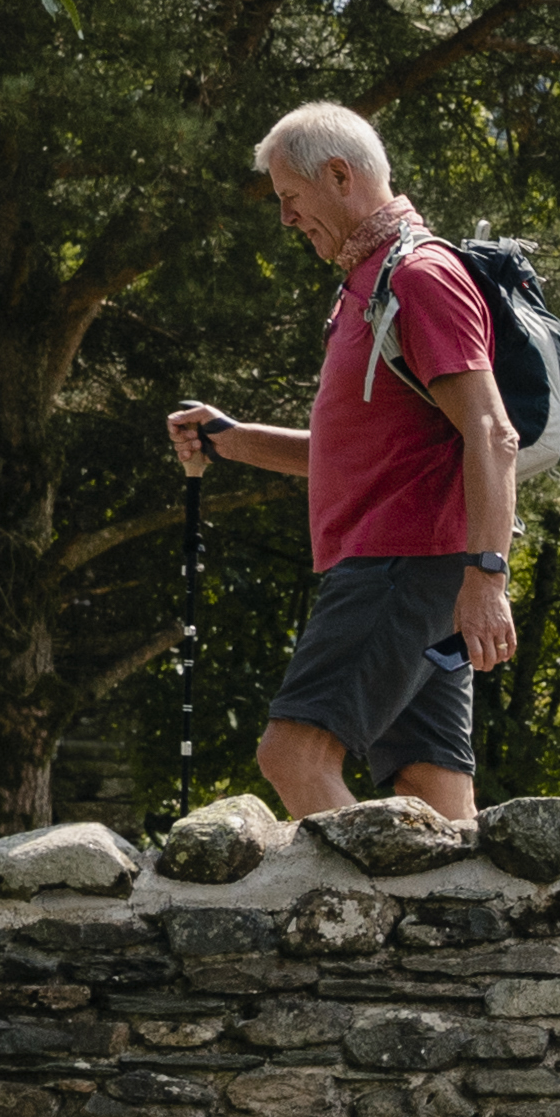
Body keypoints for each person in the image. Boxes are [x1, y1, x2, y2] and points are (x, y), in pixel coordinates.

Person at [162, 104, 515, 824]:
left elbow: (490, 430)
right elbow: (354, 459)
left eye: (290, 200)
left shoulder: (417, 277)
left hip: (399, 566)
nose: (287, 220)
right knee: (433, 794)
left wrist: (489, 574)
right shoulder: (369, 285)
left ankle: (353, 930)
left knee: (293, 757)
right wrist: (229, 439)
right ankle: (453, 937)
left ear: (340, 176)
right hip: (417, 571)